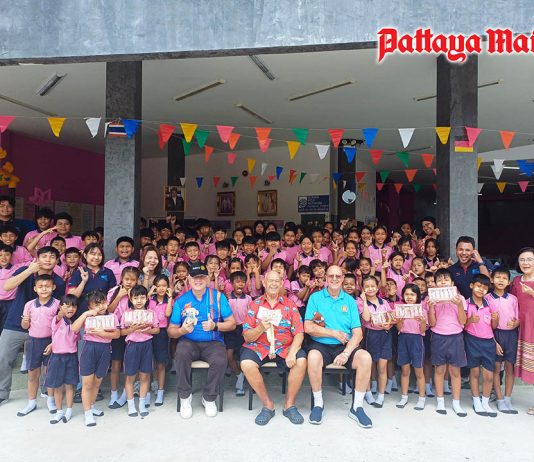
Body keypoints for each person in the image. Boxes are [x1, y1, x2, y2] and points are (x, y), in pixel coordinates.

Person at [304, 265, 373, 428]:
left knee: (365, 358)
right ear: (326, 278)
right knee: (313, 357)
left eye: (338, 276)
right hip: (321, 344)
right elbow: (308, 327)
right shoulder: (315, 298)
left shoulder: (349, 301)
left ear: (342, 278)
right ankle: (318, 405)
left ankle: (357, 407)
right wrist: (333, 333)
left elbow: (358, 333)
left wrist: (346, 353)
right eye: (331, 276)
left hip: (344, 346)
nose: (334, 279)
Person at [167, 264, 236, 419]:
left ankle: (209, 398)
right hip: (188, 341)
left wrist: (215, 325)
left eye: (202, 277)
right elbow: (171, 330)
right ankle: (185, 397)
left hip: (213, 341)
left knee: (220, 359)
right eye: (195, 277)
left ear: (208, 279)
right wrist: (182, 331)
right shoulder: (181, 301)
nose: (198, 280)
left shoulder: (218, 297)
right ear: (189, 279)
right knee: (181, 354)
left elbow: (232, 323)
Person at [0, 246, 65, 406]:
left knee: (47, 362)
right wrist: (29, 270)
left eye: (52, 256)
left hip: (44, 328)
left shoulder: (58, 282)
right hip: (15, 323)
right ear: (37, 258)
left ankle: (46, 389)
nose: (48, 259)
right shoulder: (25, 270)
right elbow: (7, 286)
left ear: (57, 261)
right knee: (3, 356)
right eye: (44, 256)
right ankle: (2, 392)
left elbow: (57, 308)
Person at [240, 270, 307, 426]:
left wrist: (292, 353)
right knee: (246, 363)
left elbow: (299, 333)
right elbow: (247, 336)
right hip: (259, 345)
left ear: (282, 283)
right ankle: (267, 405)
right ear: (264, 283)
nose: (274, 284)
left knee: (301, 360)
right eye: (270, 281)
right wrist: (260, 328)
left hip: (284, 347)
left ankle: (289, 405)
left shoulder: (290, 305)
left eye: (277, 281)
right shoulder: (255, 304)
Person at [72, 290, 120, 427]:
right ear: (90, 307)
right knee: (87, 383)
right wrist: (85, 314)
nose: (101, 307)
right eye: (96, 304)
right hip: (89, 348)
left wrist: (102, 333)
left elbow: (117, 334)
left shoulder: (112, 316)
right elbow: (74, 329)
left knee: (97, 382)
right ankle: (87, 413)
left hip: (105, 349)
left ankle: (92, 406)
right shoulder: (87, 317)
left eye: (103, 303)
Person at [17, 274, 60, 417]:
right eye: (40, 286)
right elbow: (25, 326)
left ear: (53, 287)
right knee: (33, 374)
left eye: (47, 286)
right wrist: (25, 321)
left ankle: (51, 400)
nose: (44, 289)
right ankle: (31, 402)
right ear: (35, 288)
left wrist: (54, 343)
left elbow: (60, 327)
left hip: (51, 342)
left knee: (50, 373)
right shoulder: (29, 305)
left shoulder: (57, 304)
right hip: (33, 342)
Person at [427, 268, 468, 417]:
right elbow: (432, 323)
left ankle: (456, 403)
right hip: (438, 336)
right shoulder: (431, 299)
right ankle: (440, 401)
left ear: (452, 283)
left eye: (446, 279)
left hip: (456, 336)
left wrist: (459, 305)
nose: (443, 282)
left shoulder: (459, 298)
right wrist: (431, 307)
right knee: (439, 370)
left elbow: (463, 321)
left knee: (455, 371)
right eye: (439, 280)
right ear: (435, 284)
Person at [121, 285, 159, 418]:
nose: (139, 301)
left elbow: (157, 329)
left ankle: (142, 404)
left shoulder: (151, 313)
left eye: (142, 297)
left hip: (147, 345)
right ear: (131, 299)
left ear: (146, 298)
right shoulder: (127, 314)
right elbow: (121, 332)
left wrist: (148, 329)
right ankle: (131, 405)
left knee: (145, 376)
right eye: (135, 298)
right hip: (132, 345)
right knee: (130, 376)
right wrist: (132, 329)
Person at [486, 267, 519, 414]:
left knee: (510, 368)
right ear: (492, 280)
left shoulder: (513, 299)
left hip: (511, 336)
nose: (501, 280)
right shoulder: (487, 298)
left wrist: (516, 324)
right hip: (495, 336)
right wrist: (493, 342)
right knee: (496, 368)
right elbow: (485, 324)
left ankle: (508, 399)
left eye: (504, 278)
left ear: (509, 282)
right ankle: (499, 399)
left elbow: (518, 318)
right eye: (498, 277)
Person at [464, 274, 498, 417]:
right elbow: (462, 324)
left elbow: (493, 326)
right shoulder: (466, 303)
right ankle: (476, 401)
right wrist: (470, 320)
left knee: (489, 375)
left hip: (488, 342)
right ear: (471, 286)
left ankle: (485, 402)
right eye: (478, 286)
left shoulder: (490, 304)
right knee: (475, 372)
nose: (481, 289)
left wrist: (496, 319)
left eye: (485, 287)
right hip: (472, 340)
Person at [358, 275, 394, 408]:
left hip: (385, 334)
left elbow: (390, 318)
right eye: (367, 287)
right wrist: (364, 300)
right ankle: (368, 393)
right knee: (369, 365)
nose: (370, 289)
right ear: (362, 289)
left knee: (382, 366)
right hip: (371, 335)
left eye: (373, 286)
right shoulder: (360, 302)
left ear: (378, 287)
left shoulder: (383, 302)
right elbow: (367, 318)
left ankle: (381, 395)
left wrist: (389, 325)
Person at [43, 294, 79, 423]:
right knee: (57, 386)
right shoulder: (57, 319)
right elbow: (59, 316)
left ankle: (69, 411)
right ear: (60, 307)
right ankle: (59, 412)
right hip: (57, 357)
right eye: (67, 306)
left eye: (73, 306)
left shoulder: (75, 323)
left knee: (70, 386)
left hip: (72, 357)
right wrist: (61, 312)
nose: (70, 309)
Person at [510, 247, 534, 415]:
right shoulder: (516, 281)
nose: (525, 263)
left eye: (529, 259)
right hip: (524, 328)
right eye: (522, 260)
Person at [396, 284, 428, 410]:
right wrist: (400, 320)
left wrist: (422, 321)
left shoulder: (422, 311)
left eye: (412, 294)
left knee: (419, 371)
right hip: (403, 339)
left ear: (417, 296)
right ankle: (404, 397)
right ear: (403, 295)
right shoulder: (400, 309)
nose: (409, 297)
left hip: (417, 340)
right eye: (407, 294)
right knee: (405, 371)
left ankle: (421, 398)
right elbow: (399, 328)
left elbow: (423, 330)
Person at [224, 271, 251, 396]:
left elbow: (251, 315)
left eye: (243, 282)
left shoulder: (248, 298)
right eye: (237, 281)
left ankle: (244, 382)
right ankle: (239, 375)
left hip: (244, 330)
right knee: (229, 355)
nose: (240, 284)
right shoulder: (227, 298)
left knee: (243, 356)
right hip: (230, 329)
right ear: (231, 283)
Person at [148, 275, 173, 406]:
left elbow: (168, 314)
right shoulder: (150, 300)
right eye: (158, 286)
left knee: (161, 363)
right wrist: (149, 293)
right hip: (148, 331)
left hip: (162, 333)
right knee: (147, 362)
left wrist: (170, 297)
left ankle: (160, 391)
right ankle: (146, 392)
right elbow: (143, 307)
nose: (161, 288)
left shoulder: (168, 301)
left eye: (164, 286)